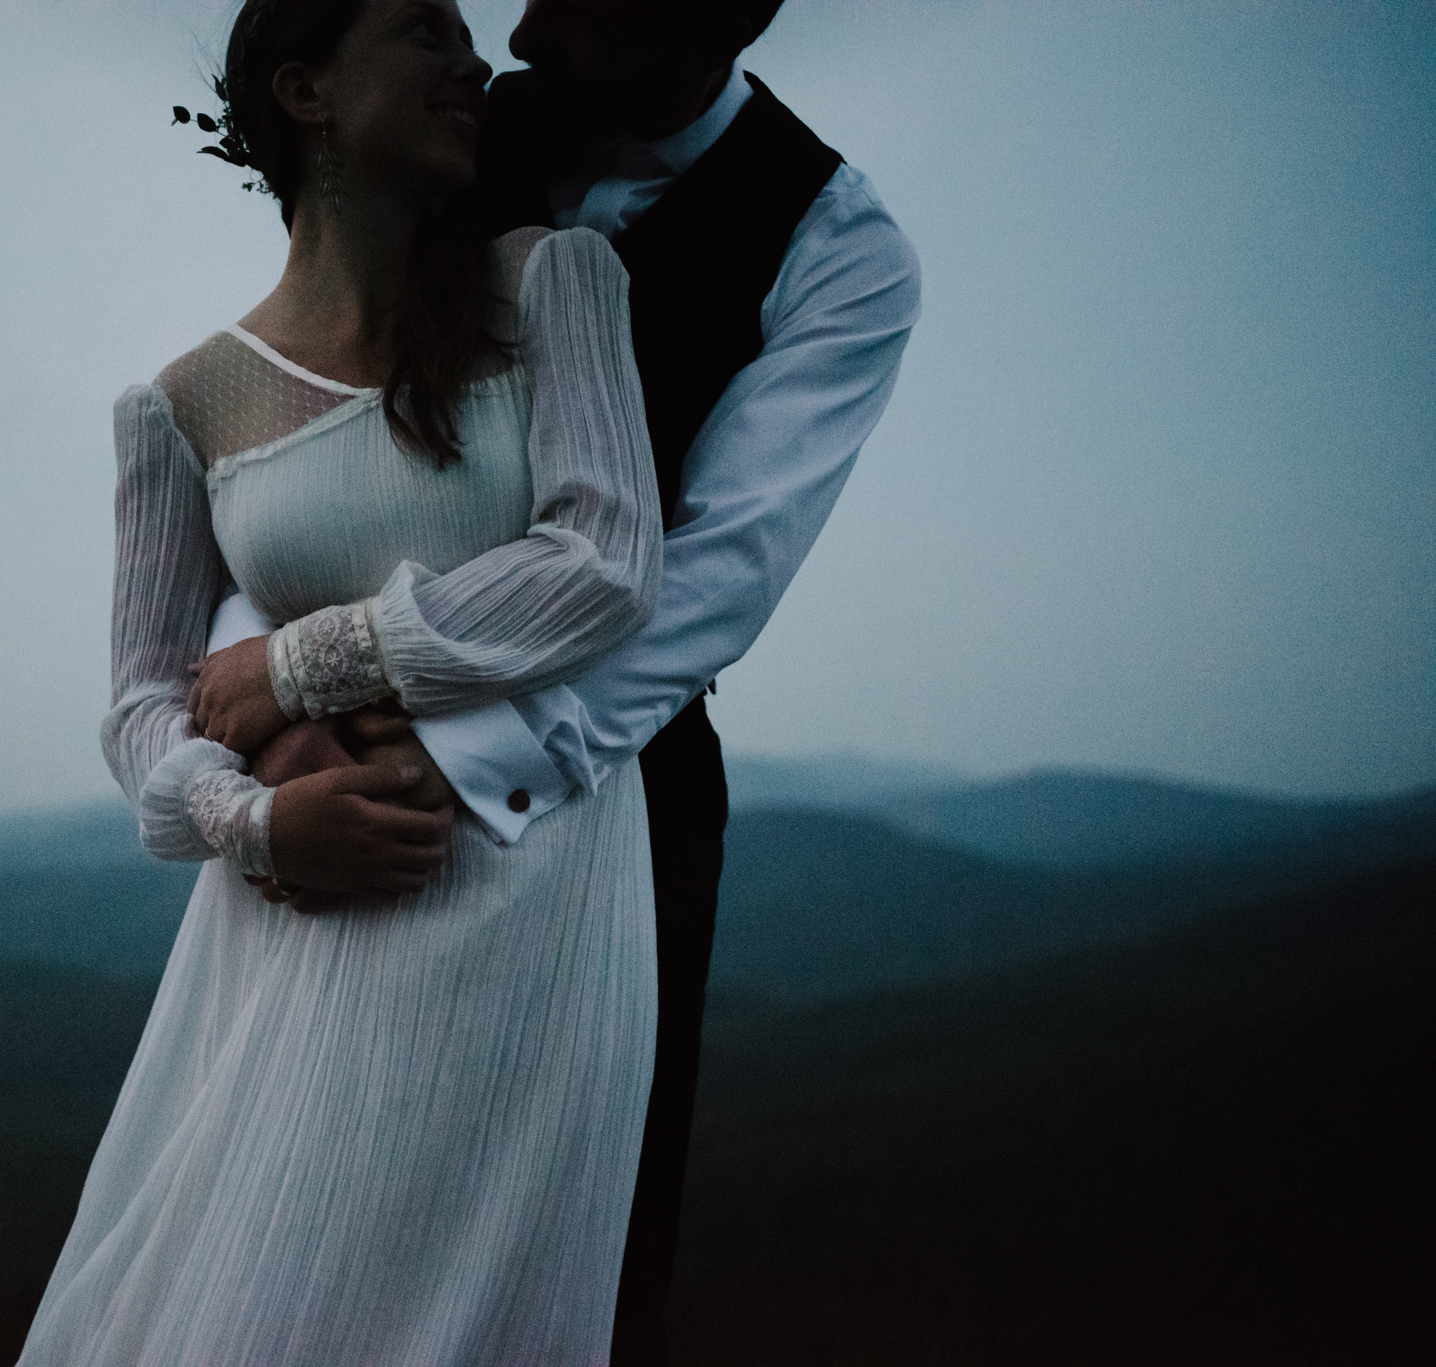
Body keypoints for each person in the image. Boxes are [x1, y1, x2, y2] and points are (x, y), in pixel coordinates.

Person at [211, 1, 923, 1358]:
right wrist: (274, 717)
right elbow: (307, 444)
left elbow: (716, 571)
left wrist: (464, 755)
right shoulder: (454, 136)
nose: (522, 30)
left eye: (578, 2)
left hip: (613, 791)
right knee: (305, 1212)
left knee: (567, 1260)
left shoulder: (845, 249)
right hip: (322, 756)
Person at [16, 0, 668, 1361]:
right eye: (425, 32)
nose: (473, 62)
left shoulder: (552, 285)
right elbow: (142, 708)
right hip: (299, 911)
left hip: (535, 909)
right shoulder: (183, 404)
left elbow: (606, 565)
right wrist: (254, 825)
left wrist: (301, 665)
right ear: (307, 91)